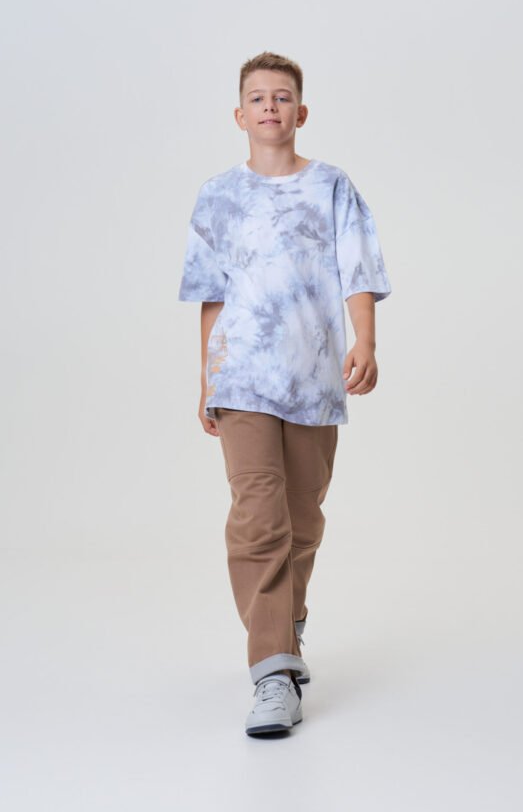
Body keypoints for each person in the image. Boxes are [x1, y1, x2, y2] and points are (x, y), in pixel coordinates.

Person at [177, 51, 392, 736]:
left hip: (312, 377)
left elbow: (357, 268)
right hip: (241, 376)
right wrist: (207, 377)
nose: (269, 106)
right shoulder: (218, 195)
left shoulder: (331, 186)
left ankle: (286, 620)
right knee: (258, 515)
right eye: (257, 97)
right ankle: (273, 672)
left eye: (281, 96)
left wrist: (365, 340)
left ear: (301, 111)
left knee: (301, 517)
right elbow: (210, 295)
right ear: (239, 115)